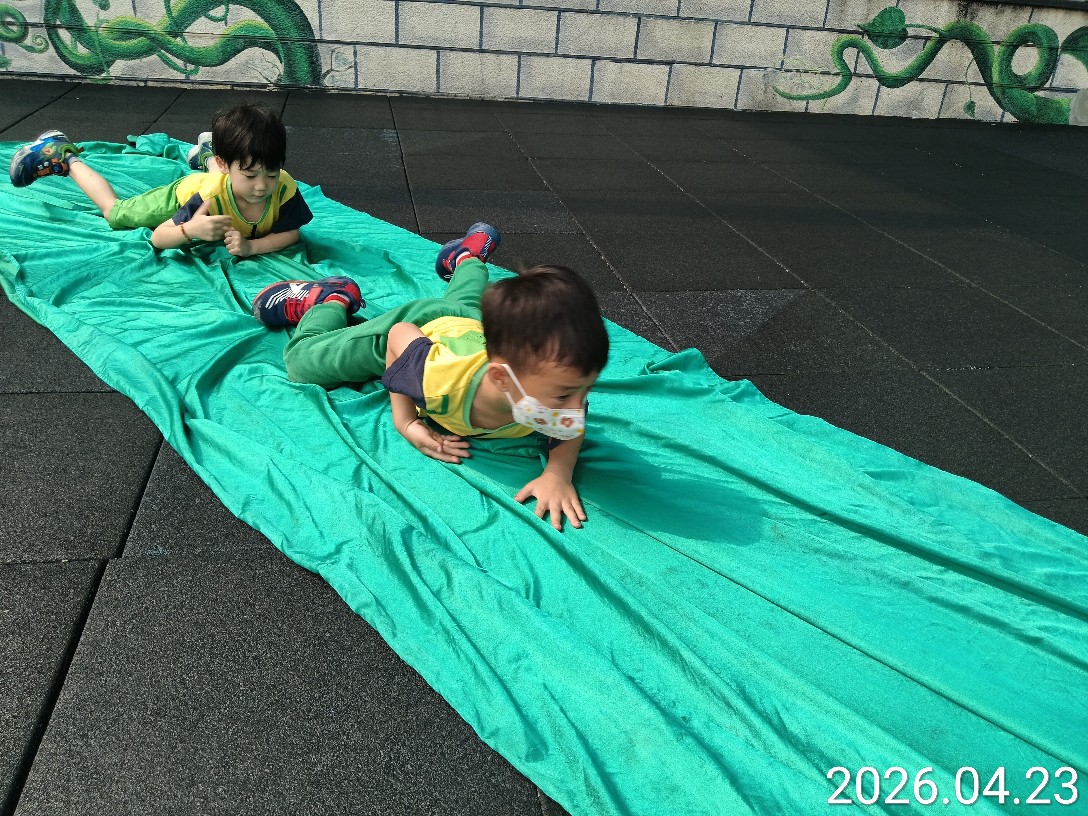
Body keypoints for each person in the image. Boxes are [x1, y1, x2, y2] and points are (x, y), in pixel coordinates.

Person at [250, 223, 610, 531]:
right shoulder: (438, 378)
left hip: (471, 325)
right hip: (420, 327)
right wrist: (406, 422)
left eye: (584, 390)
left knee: (468, 301)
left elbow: (570, 428)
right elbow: (398, 336)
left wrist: (557, 474)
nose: (577, 407)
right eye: (565, 395)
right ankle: (332, 297)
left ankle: (467, 257)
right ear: (502, 379)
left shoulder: (554, 391)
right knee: (302, 365)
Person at [7, 103, 312, 257]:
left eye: (271, 174)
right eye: (250, 175)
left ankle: (207, 154)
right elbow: (159, 238)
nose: (262, 186)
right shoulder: (204, 199)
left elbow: (291, 233)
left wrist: (250, 248)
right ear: (227, 164)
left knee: (232, 181)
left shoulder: (283, 187)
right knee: (116, 213)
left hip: (221, 178)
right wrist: (190, 230)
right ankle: (63, 155)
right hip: (188, 192)